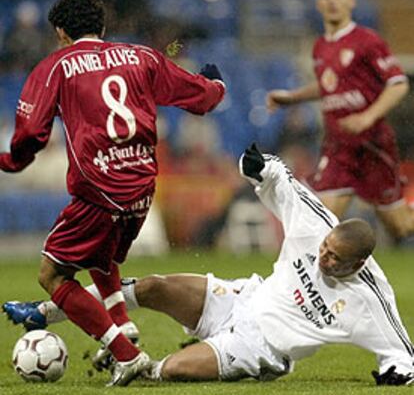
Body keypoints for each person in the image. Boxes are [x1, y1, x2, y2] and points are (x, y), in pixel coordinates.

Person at [5, 144, 414, 386]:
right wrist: (260, 166)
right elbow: (283, 180)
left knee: (171, 372)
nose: (323, 257)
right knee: (152, 287)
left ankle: (131, 363)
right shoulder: (317, 225)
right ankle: (44, 312)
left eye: (334, 259)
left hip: (259, 348)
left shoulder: (371, 301)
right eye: (324, 249)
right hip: (243, 297)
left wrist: (396, 374)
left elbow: (402, 357)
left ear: (357, 264)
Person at [0, 0, 225, 386]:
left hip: (98, 191)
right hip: (142, 191)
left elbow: (31, 133)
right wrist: (216, 84)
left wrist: (11, 161)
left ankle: (128, 355)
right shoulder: (143, 56)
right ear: (102, 27)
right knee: (100, 258)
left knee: (52, 275)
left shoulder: (56, 66)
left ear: (60, 33)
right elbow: (201, 98)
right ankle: (123, 324)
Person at [266, 0, 413, 242]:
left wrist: (367, 116)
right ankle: (314, 279)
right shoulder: (320, 46)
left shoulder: (367, 40)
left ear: (351, 1)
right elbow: (328, 85)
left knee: (399, 228)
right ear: (318, 3)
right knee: (321, 221)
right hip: (339, 148)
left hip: (373, 146)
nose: (332, 1)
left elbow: (398, 84)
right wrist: (293, 97)